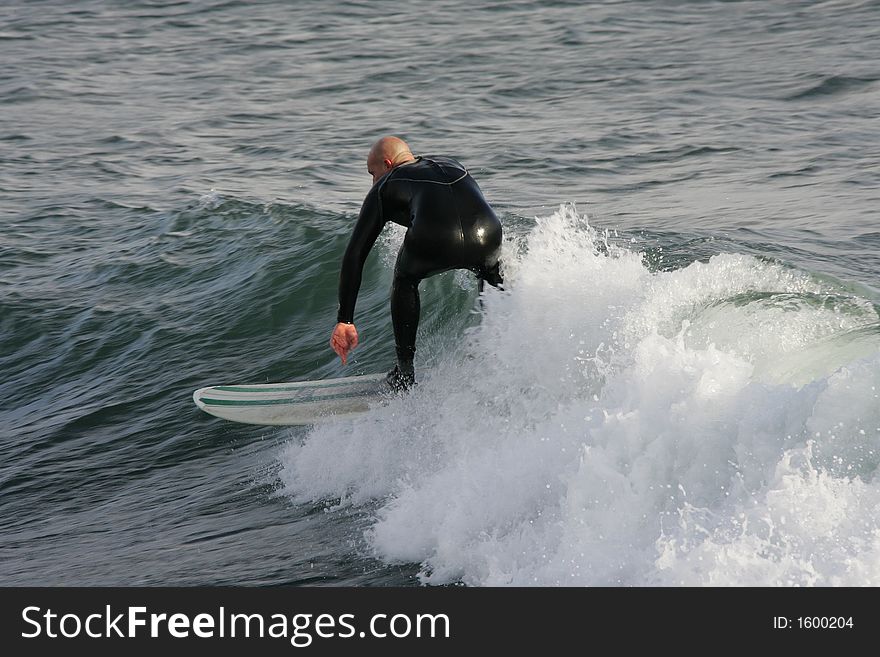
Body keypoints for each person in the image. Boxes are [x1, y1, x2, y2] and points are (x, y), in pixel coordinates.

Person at [329, 136, 503, 391]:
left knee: (405, 280)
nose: (372, 181)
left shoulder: (386, 184)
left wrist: (345, 319)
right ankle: (500, 351)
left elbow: (355, 254)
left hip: (436, 239)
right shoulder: (452, 163)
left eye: (372, 173)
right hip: (487, 234)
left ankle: (405, 373)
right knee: (490, 272)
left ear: (387, 164)